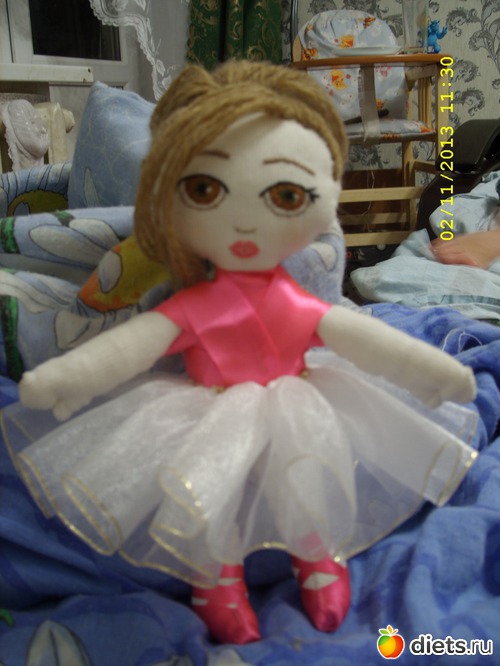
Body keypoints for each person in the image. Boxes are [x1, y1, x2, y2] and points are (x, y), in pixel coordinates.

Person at [2, 61, 477, 645]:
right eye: (204, 190)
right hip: (203, 406)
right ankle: (217, 578)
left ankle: (316, 557)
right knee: (210, 495)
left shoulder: (294, 303)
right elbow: (129, 346)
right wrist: (68, 378)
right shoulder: (194, 304)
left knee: (306, 481)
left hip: (296, 401)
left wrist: (434, 372)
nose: (248, 220)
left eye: (286, 194)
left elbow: (366, 341)